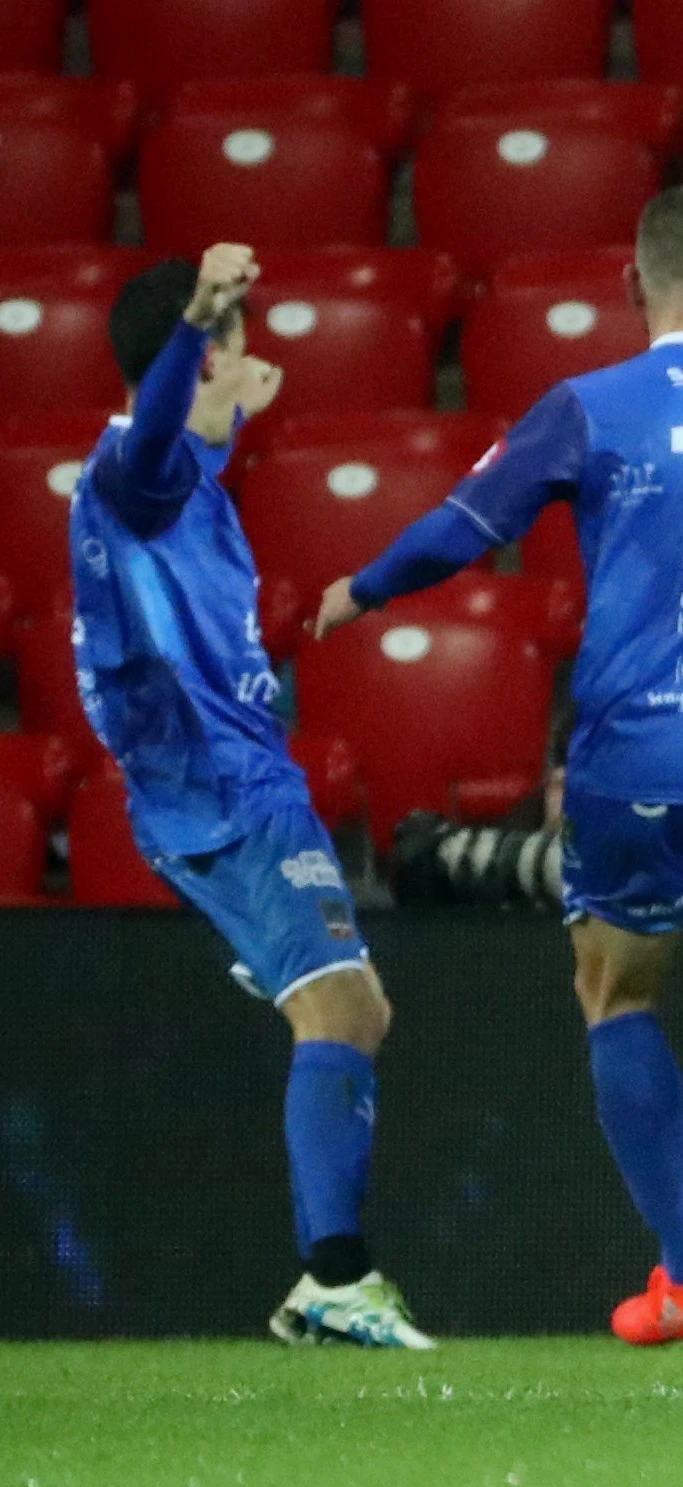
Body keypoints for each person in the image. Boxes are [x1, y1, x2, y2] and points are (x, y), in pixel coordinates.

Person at [313, 187, 683, 1349]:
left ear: (634, 287)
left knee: (618, 991)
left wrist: (362, 588)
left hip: (641, 753)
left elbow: (465, 524)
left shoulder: (591, 406)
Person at [68, 246, 432, 1350]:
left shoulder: (188, 491)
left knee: (356, 1009)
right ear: (202, 355)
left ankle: (333, 1273)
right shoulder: (134, 473)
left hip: (226, 776)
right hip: (224, 788)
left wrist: (224, 375)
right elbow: (158, 433)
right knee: (341, 1010)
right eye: (239, 347)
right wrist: (197, 325)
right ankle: (335, 1277)